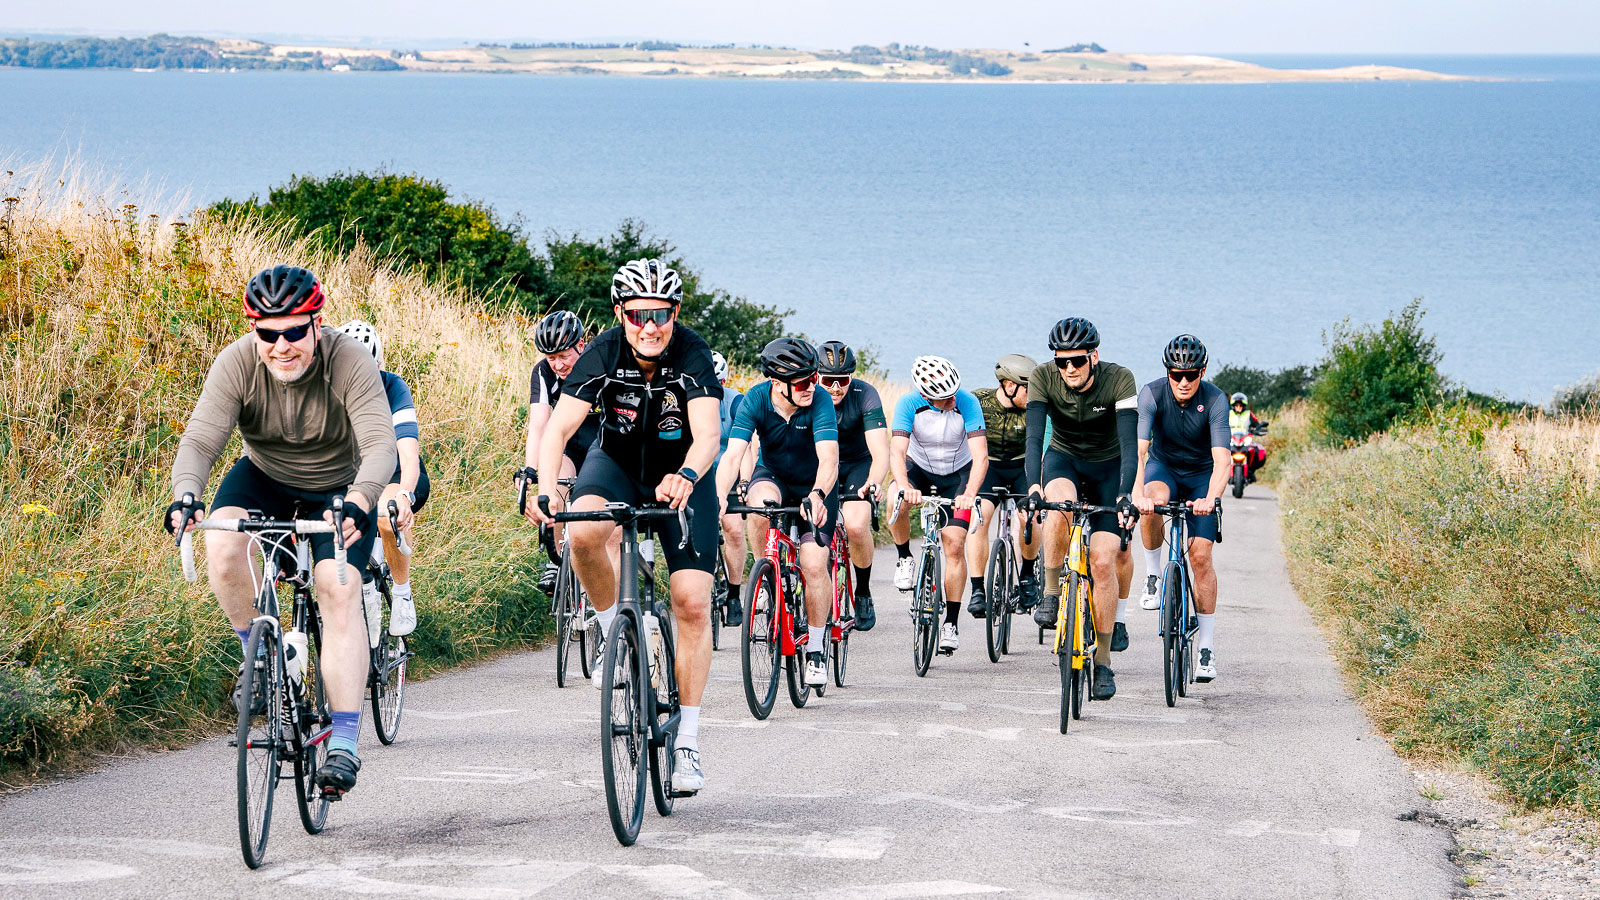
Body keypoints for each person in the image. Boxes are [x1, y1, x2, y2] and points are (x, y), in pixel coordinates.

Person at [167, 265, 396, 797]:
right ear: (255, 333)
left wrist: (361, 502)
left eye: (295, 331)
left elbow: (381, 445)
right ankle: (263, 654)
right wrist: (186, 493)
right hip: (264, 477)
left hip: (339, 486)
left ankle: (342, 739)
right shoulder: (238, 363)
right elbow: (201, 439)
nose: (281, 346)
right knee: (222, 541)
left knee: (337, 589)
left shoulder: (348, 361)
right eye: (268, 334)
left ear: (317, 324)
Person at [529, 258, 721, 793]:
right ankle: (615, 625)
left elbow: (707, 434)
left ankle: (688, 742)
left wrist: (686, 475)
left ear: (675, 313)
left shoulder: (693, 353)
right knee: (583, 534)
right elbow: (559, 428)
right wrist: (545, 490)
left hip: (684, 475)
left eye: (661, 314)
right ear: (620, 314)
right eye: (637, 315)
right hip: (614, 465)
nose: (650, 326)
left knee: (691, 604)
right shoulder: (602, 352)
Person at [1025, 317, 1138, 701]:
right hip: (1065, 460)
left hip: (1110, 468)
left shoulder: (1120, 378)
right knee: (1057, 508)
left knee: (1104, 561)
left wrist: (1125, 494)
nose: (1069, 369)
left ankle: (1104, 662)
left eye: (1077, 360)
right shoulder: (1043, 377)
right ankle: (1052, 591)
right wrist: (1034, 486)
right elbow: (1034, 438)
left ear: (1094, 356)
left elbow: (1128, 443)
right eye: (1062, 362)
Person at [715, 338, 839, 687]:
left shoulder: (821, 401)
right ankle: (765, 574)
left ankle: (815, 649)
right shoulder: (755, 399)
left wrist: (817, 494)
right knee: (758, 507)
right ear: (776, 383)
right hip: (774, 477)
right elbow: (733, 455)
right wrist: (720, 495)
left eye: (814, 377)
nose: (811, 386)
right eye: (802, 382)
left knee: (814, 564)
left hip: (816, 485)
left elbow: (829, 458)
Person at [1132, 334, 1232, 683]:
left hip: (1202, 476)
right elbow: (1140, 453)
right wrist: (1137, 494)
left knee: (1201, 557)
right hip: (1165, 468)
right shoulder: (1152, 394)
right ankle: (1153, 574)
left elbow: (1224, 462)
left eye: (1191, 374)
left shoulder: (1216, 400)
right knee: (1152, 502)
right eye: (1177, 374)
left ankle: (1205, 646)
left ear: (1203, 371)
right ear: (1168, 372)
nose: (1184, 382)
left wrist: (1212, 499)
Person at [888, 355, 987, 654]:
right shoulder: (909, 404)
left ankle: (951, 624)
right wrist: (905, 486)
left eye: (954, 393)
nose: (952, 400)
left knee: (955, 544)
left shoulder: (967, 403)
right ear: (926, 395)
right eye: (945, 398)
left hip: (958, 474)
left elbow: (980, 456)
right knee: (896, 497)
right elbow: (897, 452)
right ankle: (904, 557)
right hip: (919, 467)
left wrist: (969, 492)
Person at [337, 321, 428, 638]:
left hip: (395, 471)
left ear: (378, 365)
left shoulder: (393, 388)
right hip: (350, 475)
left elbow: (408, 455)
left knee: (388, 516)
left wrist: (404, 495)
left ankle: (402, 594)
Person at [522, 310, 601, 593]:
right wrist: (531, 469)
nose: (557, 364)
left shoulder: (597, 364)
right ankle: (555, 561)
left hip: (601, 445)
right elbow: (539, 425)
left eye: (563, 356)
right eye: (551, 357)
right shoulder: (543, 372)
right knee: (554, 488)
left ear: (580, 345)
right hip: (569, 444)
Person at [817, 340, 889, 632]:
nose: (835, 387)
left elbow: (881, 452)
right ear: (816, 377)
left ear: (851, 379)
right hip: (822, 463)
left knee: (857, 526)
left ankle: (862, 592)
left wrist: (874, 481)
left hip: (858, 464)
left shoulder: (864, 394)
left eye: (842, 380)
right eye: (828, 380)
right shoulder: (808, 395)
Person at [966, 353, 1044, 618]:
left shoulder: (1037, 406)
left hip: (1023, 468)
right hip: (990, 468)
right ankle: (978, 589)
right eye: (1029, 389)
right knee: (980, 518)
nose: (1034, 394)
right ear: (1009, 386)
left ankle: (1027, 575)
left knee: (1030, 517)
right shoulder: (978, 401)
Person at [712, 350, 751, 627]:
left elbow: (747, 447)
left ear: (724, 382)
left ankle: (734, 594)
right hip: (699, 476)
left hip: (732, 474)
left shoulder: (736, 402)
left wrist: (745, 483)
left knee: (734, 529)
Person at [1228, 392, 1268, 477]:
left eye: (1240, 406)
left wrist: (1259, 428)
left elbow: (1256, 424)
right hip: (1231, 438)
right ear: (1233, 406)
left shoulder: (1248, 414)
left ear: (1243, 406)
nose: (1238, 407)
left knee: (1257, 450)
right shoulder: (1228, 414)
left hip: (1245, 439)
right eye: (1237, 405)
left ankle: (1251, 470)